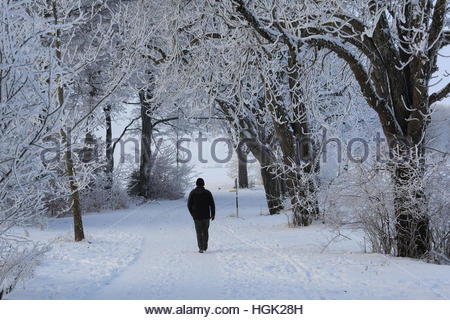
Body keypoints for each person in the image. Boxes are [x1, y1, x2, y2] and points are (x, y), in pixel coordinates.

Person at [187, 178, 215, 253]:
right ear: (203, 184)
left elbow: (189, 204)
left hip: (196, 216)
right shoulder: (207, 192)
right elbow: (212, 204)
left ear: (196, 184)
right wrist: (213, 214)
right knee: (205, 231)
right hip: (206, 216)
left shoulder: (192, 193)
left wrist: (192, 214)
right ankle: (205, 246)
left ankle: (200, 248)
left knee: (198, 232)